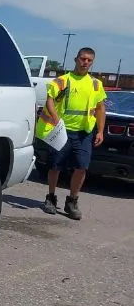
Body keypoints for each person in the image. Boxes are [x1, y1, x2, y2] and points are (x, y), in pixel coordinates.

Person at [35, 47, 107, 219]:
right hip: (63, 132)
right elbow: (50, 100)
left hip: (84, 133)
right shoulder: (62, 81)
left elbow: (100, 108)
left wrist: (101, 131)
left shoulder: (96, 84)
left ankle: (72, 202)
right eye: (83, 59)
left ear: (92, 62)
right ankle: (51, 198)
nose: (85, 62)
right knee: (55, 166)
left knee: (81, 167)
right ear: (76, 59)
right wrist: (54, 117)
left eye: (89, 60)